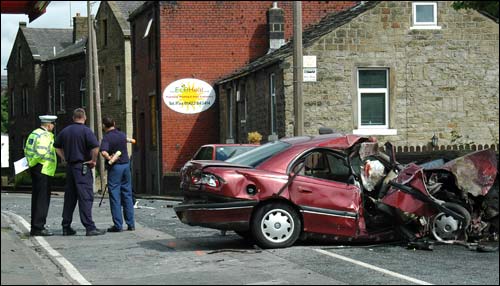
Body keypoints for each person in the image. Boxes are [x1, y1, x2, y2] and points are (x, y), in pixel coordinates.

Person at [53, 108, 105, 236]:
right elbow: (95, 147)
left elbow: (56, 146)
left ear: (73, 117)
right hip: (83, 167)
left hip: (70, 167)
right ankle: (90, 227)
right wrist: (93, 161)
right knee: (85, 196)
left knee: (70, 197)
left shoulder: (65, 131)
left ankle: (66, 226)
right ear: (84, 117)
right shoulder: (86, 131)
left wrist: (64, 157)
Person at [24, 115, 58, 236]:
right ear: (48, 125)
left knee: (37, 198)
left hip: (35, 168)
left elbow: (27, 150)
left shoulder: (34, 133)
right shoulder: (44, 136)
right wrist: (35, 162)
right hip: (43, 168)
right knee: (42, 199)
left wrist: (31, 164)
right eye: (53, 124)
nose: (53, 127)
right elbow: (41, 152)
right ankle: (39, 227)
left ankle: (35, 226)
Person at [100, 116, 135, 232]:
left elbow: (104, 151)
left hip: (115, 168)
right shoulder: (121, 134)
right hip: (126, 166)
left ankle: (118, 225)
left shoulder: (107, 138)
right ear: (114, 123)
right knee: (127, 194)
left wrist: (109, 157)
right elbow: (130, 140)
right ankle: (131, 224)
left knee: (115, 195)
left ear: (104, 126)